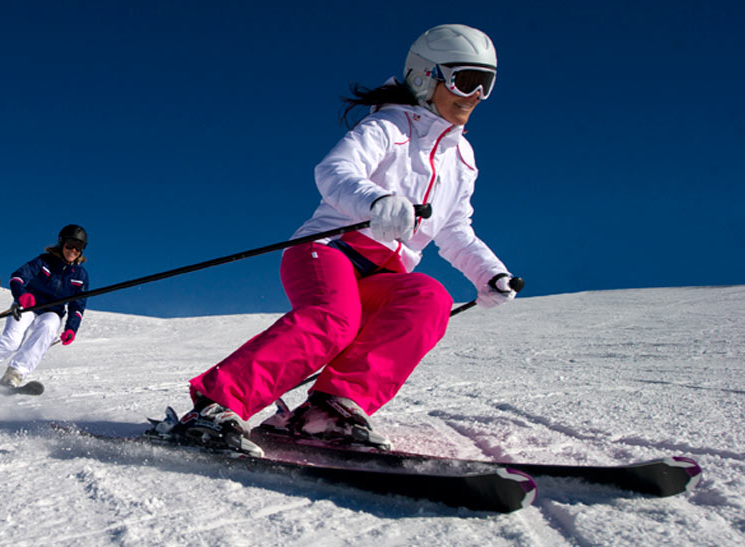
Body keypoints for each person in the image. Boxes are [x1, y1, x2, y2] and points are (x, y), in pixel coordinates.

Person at [167, 24, 518, 456]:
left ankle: (328, 412)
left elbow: (455, 229)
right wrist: (377, 202)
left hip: (384, 274)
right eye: (467, 80)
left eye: (487, 84)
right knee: (335, 318)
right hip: (329, 249)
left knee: (429, 297)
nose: (476, 96)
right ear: (427, 76)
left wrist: (489, 273)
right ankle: (215, 407)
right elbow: (333, 171)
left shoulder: (462, 159)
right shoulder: (390, 127)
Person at [0, 224, 90, 389]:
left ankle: (14, 375)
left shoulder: (80, 276)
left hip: (52, 312)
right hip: (28, 305)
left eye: (79, 247)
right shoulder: (43, 261)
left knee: (48, 327)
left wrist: (71, 329)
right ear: (61, 243)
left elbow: (77, 307)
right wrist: (22, 295)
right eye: (70, 245)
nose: (73, 250)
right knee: (12, 341)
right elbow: (17, 278)